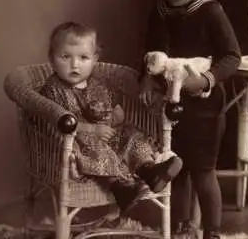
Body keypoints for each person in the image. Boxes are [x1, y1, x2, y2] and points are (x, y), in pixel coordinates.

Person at [140, 0, 241, 239]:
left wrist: (206, 79)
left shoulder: (210, 11)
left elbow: (232, 57)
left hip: (205, 106)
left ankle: (211, 236)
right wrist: (146, 79)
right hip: (171, 105)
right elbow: (153, 52)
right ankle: (183, 226)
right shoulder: (159, 11)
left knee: (202, 171)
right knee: (175, 167)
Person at [40, 21, 183, 215]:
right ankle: (120, 186)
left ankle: (148, 170)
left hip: (109, 137)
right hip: (75, 143)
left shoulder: (98, 83)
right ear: (51, 58)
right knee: (93, 147)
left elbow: (113, 106)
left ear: (94, 59)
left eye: (83, 58)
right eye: (65, 57)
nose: (74, 65)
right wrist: (90, 130)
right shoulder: (52, 89)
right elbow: (54, 121)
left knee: (131, 134)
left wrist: (117, 113)